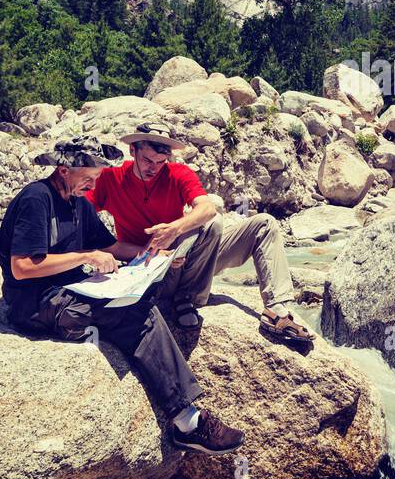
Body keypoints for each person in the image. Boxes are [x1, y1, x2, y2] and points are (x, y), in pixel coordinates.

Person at [0, 135, 244, 454]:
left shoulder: (78, 203)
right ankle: (188, 422)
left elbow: (111, 246)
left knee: (139, 302)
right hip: (36, 302)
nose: (92, 184)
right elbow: (23, 267)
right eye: (87, 177)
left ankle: (188, 418)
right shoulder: (37, 198)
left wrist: (151, 253)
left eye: (96, 177)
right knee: (136, 313)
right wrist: (85, 258)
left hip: (70, 290)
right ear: (63, 170)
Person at [86, 123, 315, 343]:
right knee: (209, 224)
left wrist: (174, 229)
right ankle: (185, 299)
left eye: (160, 161)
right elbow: (81, 224)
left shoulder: (177, 173)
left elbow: (207, 208)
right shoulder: (111, 178)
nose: (153, 168)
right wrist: (149, 253)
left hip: (190, 262)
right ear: (132, 151)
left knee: (261, 224)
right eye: (146, 160)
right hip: (149, 271)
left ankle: (276, 311)